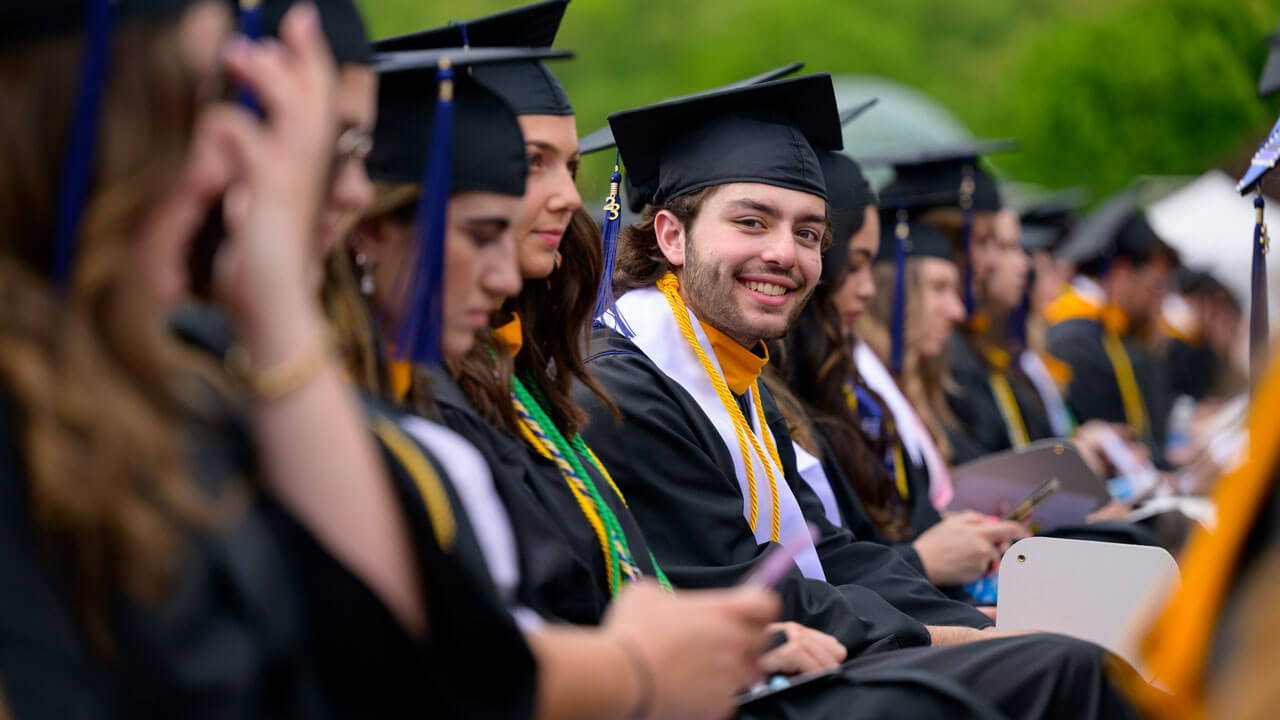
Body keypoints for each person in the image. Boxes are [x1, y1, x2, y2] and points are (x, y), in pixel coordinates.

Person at [577, 73, 1142, 720]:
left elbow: (824, 550)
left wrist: (975, 618)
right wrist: (957, 634)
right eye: (752, 222)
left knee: (1084, 634)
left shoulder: (731, 371)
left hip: (810, 654)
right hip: (744, 687)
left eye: (810, 234)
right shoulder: (623, 390)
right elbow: (750, 589)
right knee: (1062, 664)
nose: (784, 253)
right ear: (672, 236)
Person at [0, 1, 435, 716]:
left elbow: (380, 668)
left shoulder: (161, 394)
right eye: (197, 100)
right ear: (75, 120)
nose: (231, 159)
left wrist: (275, 295)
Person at [333, 40, 784, 720]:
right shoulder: (384, 414)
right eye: (530, 164)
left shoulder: (521, 385)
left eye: (568, 167)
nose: (565, 198)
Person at [1045, 187, 1179, 465]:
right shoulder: (1073, 337)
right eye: (1155, 284)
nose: (1159, 299)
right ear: (1121, 272)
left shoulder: (1110, 331)